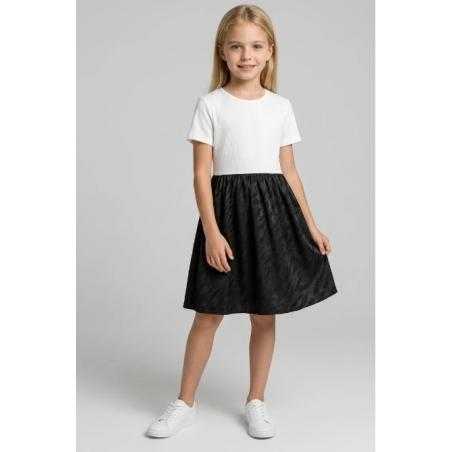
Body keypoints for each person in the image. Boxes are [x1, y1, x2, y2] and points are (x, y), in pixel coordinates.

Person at [146, 4, 338, 439]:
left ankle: (256, 401)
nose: (246, 55)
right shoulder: (210, 105)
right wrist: (212, 232)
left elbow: (290, 171)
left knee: (264, 314)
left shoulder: (281, 107)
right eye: (236, 46)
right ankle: (184, 403)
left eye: (255, 46)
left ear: (270, 51)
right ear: (223, 52)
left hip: (273, 215)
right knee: (208, 313)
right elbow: (202, 173)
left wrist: (311, 225)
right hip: (227, 215)